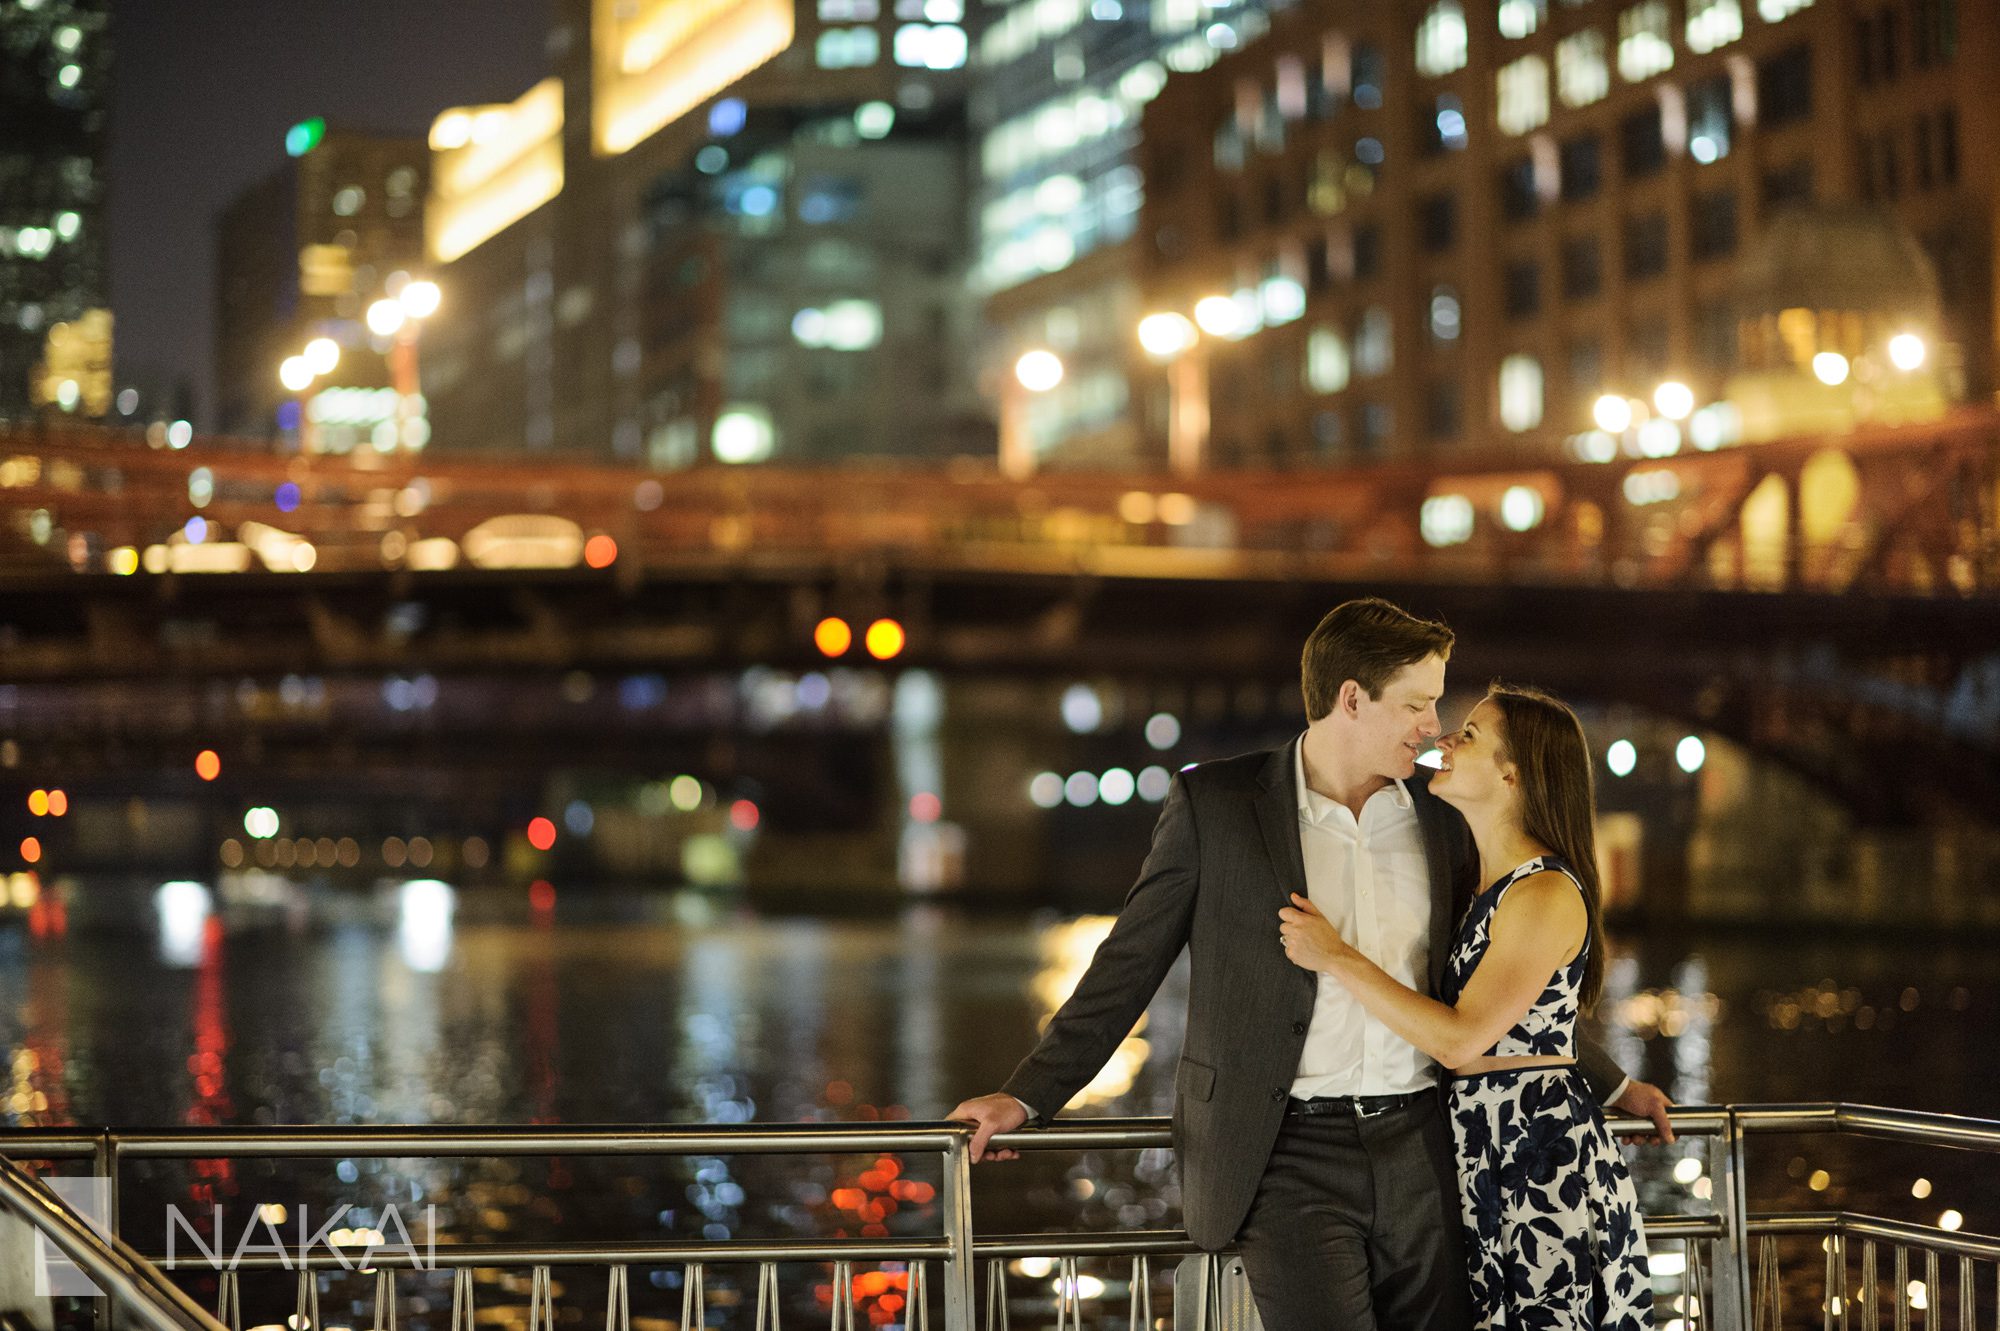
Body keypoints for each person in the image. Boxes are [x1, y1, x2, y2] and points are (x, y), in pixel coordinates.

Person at [949, 598, 1673, 1331]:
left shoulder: (1443, 821)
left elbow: (1495, 991)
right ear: (1352, 698)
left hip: (1425, 1148)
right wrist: (1026, 1096)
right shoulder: (1219, 805)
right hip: (1285, 1154)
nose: (1432, 727)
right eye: (1418, 704)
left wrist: (1612, 1087)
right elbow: (1127, 966)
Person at [1278, 683, 1651, 1330]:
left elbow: (1462, 1039)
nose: (1442, 740)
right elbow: (1534, 1027)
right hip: (1489, 1152)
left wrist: (1334, 955)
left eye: (1469, 735)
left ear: (1515, 772)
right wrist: (1617, 1084)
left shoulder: (1543, 893)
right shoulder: (1490, 887)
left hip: (1539, 1159)